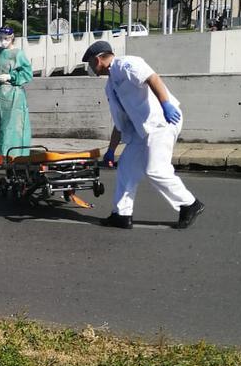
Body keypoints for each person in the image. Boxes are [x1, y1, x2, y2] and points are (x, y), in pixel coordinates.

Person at [82, 40, 205, 229]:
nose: (90, 67)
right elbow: (121, 121)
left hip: (161, 122)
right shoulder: (110, 86)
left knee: (155, 169)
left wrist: (166, 104)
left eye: (90, 62)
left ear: (98, 59)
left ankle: (190, 204)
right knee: (126, 168)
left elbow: (152, 78)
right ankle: (121, 215)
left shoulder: (125, 64)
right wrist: (111, 150)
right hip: (142, 130)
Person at [0, 25, 33, 159]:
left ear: (12, 38)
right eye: (1, 38)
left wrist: (11, 76)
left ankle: (14, 157)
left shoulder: (18, 54)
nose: (3, 41)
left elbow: (27, 73)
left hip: (12, 98)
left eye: (6, 38)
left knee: (10, 128)